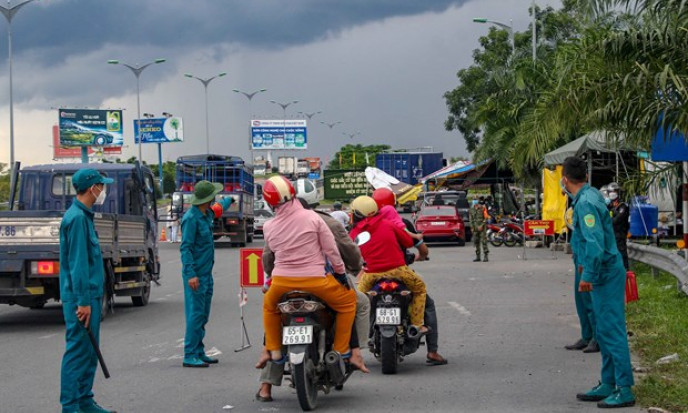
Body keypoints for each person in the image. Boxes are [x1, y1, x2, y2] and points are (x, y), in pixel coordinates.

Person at [255, 197, 369, 402]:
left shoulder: (276, 224)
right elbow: (345, 252)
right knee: (357, 303)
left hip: (284, 283)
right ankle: (353, 353)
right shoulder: (327, 222)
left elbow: (267, 257)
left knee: (277, 318)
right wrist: (352, 270)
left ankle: (266, 385)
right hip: (323, 280)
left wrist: (271, 278)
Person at [260, 176, 359, 367]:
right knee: (348, 303)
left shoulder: (268, 226)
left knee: (269, 308)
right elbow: (331, 251)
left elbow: (270, 253)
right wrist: (339, 274)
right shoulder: (314, 218)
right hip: (315, 281)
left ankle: (274, 352)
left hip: (281, 282)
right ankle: (340, 351)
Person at [561, 156, 635, 408]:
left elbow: (595, 243)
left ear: (565, 179)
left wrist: (587, 276)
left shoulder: (586, 204)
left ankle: (624, 388)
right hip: (602, 270)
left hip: (603, 272)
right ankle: (608, 382)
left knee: (612, 330)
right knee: (603, 330)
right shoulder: (588, 196)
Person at [59, 168, 116, 413]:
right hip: (81, 298)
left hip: (89, 295)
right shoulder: (77, 219)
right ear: (92, 187)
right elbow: (78, 264)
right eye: (101, 186)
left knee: (89, 352)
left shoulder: (84, 216)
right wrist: (83, 301)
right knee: (78, 352)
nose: (103, 190)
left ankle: (84, 400)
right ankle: (71, 405)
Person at [371, 188, 447, 365]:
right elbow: (421, 247)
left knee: (360, 302)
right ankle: (433, 351)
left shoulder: (368, 225)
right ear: (394, 204)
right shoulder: (402, 224)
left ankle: (352, 350)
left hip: (373, 274)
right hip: (401, 272)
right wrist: (419, 256)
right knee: (427, 303)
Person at [350, 196, 428, 334]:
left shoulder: (355, 233)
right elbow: (409, 242)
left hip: (371, 274)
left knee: (357, 300)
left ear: (356, 214)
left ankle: (356, 334)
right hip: (398, 271)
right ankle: (417, 325)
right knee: (420, 289)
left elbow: (352, 255)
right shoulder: (387, 223)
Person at [180, 180, 233, 368]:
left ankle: (199, 350)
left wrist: (229, 199)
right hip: (196, 275)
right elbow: (185, 248)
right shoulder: (191, 219)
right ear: (207, 198)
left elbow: (220, 207)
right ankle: (190, 353)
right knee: (195, 314)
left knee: (203, 314)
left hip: (206, 274)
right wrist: (190, 274)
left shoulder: (206, 213)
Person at [607, 182, 630, 271]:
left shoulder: (623, 206)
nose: (612, 193)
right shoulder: (609, 205)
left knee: (621, 252)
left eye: (614, 191)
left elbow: (616, 220)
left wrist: (607, 221)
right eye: (610, 191)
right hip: (611, 234)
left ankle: (626, 270)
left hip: (620, 233)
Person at [469, 198, 489, 262]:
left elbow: (486, 218)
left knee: (484, 242)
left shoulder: (483, 208)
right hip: (475, 228)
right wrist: (472, 227)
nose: (474, 202)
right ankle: (478, 257)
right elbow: (471, 219)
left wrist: (482, 225)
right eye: (473, 200)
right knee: (476, 242)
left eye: (475, 200)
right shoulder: (471, 210)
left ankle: (486, 256)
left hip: (482, 228)